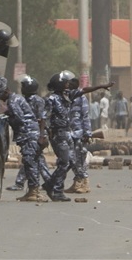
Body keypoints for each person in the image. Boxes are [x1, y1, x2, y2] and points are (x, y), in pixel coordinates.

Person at [0, 79, 49, 202]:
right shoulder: (17, 98)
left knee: (30, 162)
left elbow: (18, 119)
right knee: (32, 161)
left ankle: (35, 191)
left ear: (6, 91)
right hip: (30, 133)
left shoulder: (13, 102)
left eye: (0, 94)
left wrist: (6, 114)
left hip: (28, 134)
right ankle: (34, 190)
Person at [64, 77, 115, 194]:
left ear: (75, 86)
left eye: (70, 83)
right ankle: (77, 182)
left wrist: (87, 133)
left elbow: (85, 117)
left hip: (80, 133)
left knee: (79, 158)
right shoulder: (69, 96)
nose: (67, 85)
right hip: (71, 132)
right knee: (74, 159)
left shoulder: (81, 98)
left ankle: (85, 183)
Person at [8, 75, 52, 192]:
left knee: (31, 159)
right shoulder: (23, 99)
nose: (21, 88)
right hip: (28, 133)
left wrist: (42, 135)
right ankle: (49, 181)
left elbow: (42, 118)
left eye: (23, 86)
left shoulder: (38, 100)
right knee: (35, 159)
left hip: (35, 133)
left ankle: (21, 183)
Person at [42, 71, 76, 202]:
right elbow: (45, 117)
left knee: (71, 162)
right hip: (58, 134)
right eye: (66, 82)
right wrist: (44, 134)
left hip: (67, 132)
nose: (69, 84)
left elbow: (81, 91)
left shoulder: (66, 96)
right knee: (64, 162)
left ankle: (50, 184)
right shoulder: (51, 99)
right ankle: (57, 191)